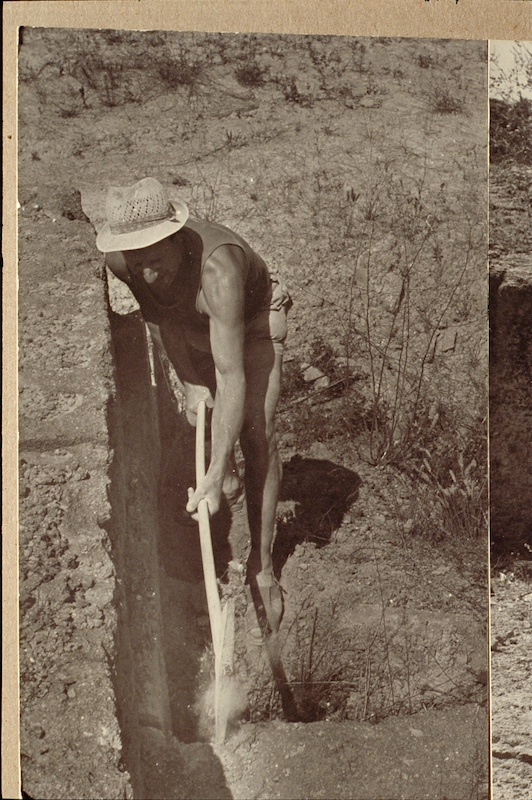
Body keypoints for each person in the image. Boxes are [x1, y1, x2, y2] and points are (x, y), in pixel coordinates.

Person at [95, 177, 292, 642]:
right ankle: (218, 488)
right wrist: (187, 382)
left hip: (252, 318)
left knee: (256, 433)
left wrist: (220, 465)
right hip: (191, 322)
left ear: (177, 239)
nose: (145, 275)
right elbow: (159, 315)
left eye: (155, 262)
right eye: (137, 264)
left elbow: (231, 375)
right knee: (200, 417)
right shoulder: (123, 261)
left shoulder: (218, 272)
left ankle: (262, 568)